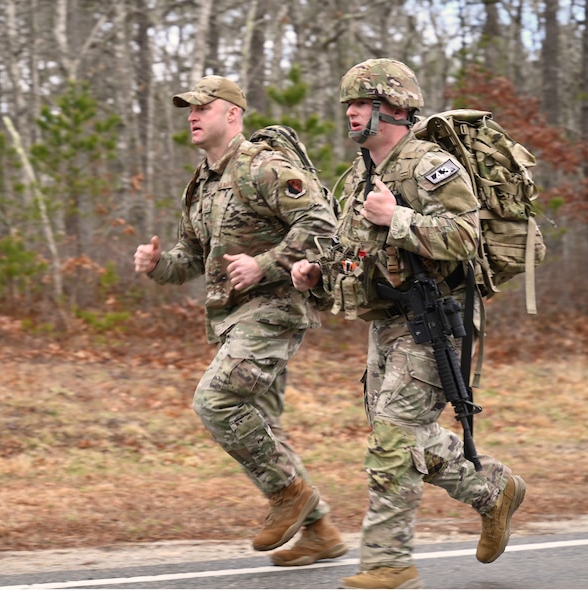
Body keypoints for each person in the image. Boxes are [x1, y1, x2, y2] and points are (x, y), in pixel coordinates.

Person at [291, 58, 526, 589]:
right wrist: (316, 276)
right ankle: (493, 489)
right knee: (401, 437)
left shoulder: (428, 165)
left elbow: (466, 237)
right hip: (387, 324)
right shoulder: (357, 175)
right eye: (348, 103)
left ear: (393, 108)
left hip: (434, 319)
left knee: (394, 440)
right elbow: (353, 254)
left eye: (361, 102)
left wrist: (395, 218)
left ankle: (387, 563)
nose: (350, 112)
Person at [134, 75, 346, 567]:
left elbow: (320, 224)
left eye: (202, 107)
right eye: (188, 108)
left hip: (275, 310)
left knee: (216, 400)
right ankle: (320, 531)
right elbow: (190, 254)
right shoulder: (202, 183)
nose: (192, 115)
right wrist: (157, 265)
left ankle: (290, 495)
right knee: (261, 425)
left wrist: (266, 264)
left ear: (232, 114)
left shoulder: (265, 167)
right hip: (232, 320)